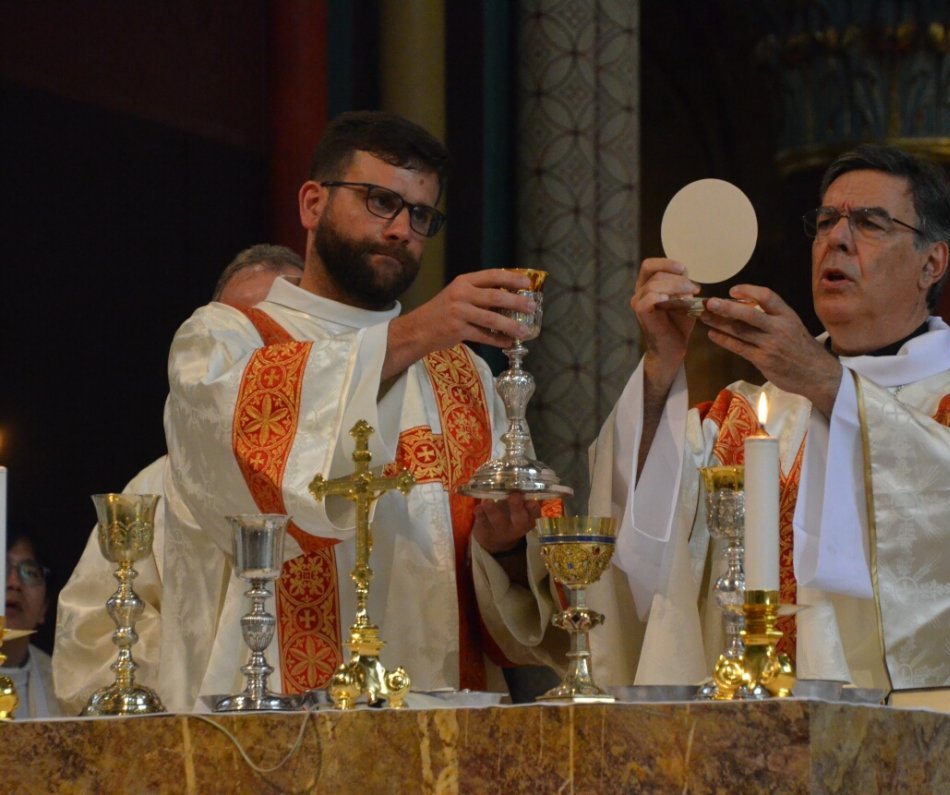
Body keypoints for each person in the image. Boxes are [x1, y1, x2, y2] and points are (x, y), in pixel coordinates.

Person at [555, 144, 950, 692]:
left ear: (931, 263)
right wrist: (660, 365)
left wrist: (825, 383)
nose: (836, 240)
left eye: (870, 223)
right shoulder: (747, 414)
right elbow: (644, 541)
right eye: (826, 222)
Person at [158, 111, 554, 712]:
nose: (401, 229)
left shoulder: (462, 374)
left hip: (435, 720)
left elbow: (494, 605)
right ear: (313, 204)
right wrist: (419, 330)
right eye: (379, 202)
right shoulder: (225, 339)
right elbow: (247, 474)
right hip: (266, 722)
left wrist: (500, 549)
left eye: (421, 214)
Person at [53, 244, 304, 715]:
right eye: (238, 329)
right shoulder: (152, 491)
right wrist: (185, 670)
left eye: (279, 328)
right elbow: (88, 642)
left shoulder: (342, 480)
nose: (258, 349)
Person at [2, 532, 61, 718]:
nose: (14, 583)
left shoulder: (62, 688)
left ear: (44, 608)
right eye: (2, 567)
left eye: (30, 573)